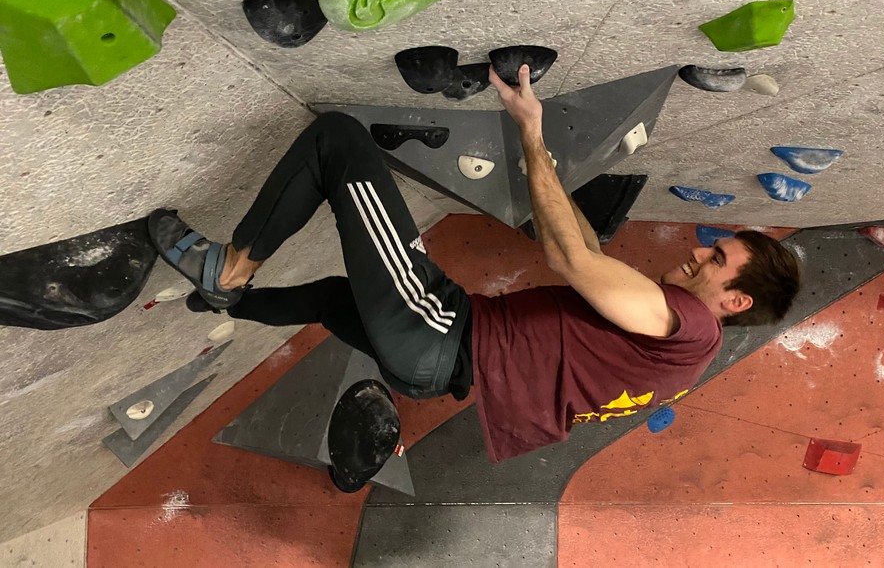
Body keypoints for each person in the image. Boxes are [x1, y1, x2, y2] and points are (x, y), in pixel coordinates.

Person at [149, 64, 800, 467]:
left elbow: (569, 255)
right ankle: (222, 302)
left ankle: (225, 272)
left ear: (736, 299)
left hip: (440, 330)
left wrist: (530, 134)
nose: (695, 254)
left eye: (716, 259)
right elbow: (591, 257)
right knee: (328, 297)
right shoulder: (682, 364)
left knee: (338, 140)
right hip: (441, 370)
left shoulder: (691, 325)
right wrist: (543, 171)